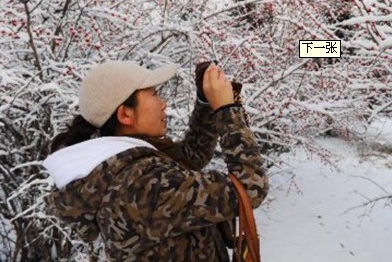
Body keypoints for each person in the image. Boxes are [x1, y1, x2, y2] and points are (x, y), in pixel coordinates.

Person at [43, 60, 269, 262]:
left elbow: (189, 157)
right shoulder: (139, 184)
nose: (163, 104)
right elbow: (248, 188)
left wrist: (204, 103)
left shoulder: (120, 164)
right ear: (126, 115)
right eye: (153, 94)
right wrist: (226, 110)